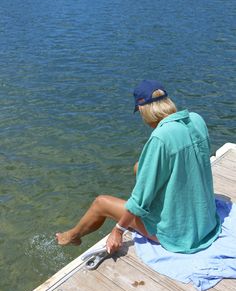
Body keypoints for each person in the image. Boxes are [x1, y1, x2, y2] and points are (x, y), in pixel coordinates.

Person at [56, 80, 221, 254]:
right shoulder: (196, 119)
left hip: (179, 235)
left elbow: (139, 201)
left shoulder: (160, 137)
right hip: (206, 222)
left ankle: (72, 236)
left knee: (101, 203)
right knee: (138, 167)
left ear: (144, 109)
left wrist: (118, 230)